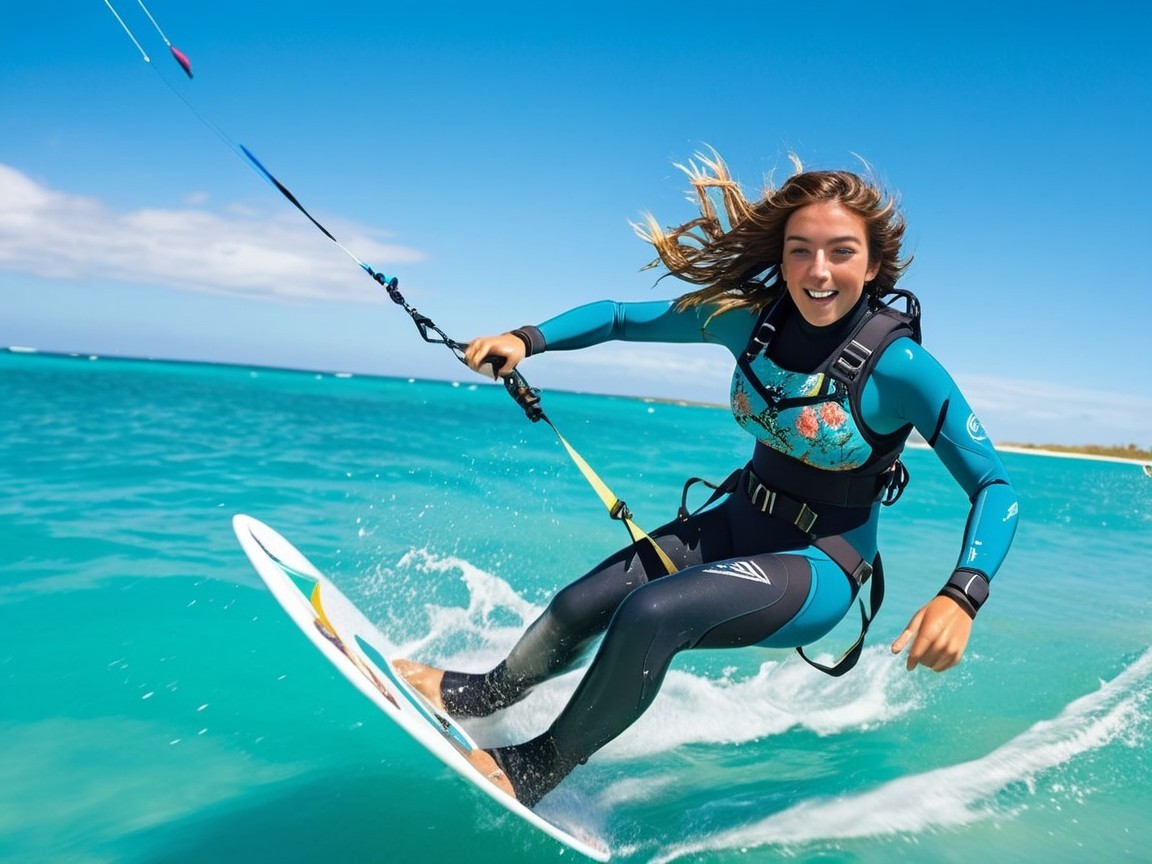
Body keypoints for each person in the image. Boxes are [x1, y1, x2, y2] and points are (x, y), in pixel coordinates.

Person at [394, 152, 1019, 807]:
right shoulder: (746, 320)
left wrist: (962, 595)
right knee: (580, 605)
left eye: (840, 252)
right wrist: (527, 339)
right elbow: (618, 317)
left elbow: (994, 489)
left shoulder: (904, 370)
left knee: (650, 614)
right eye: (800, 250)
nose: (818, 270)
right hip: (736, 519)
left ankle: (533, 768)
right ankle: (481, 696)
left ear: (871, 264)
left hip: (819, 564)